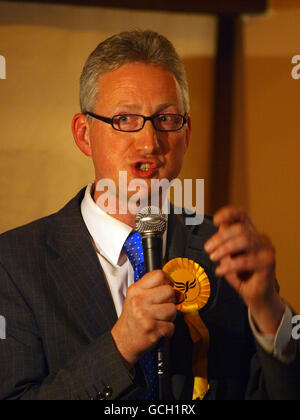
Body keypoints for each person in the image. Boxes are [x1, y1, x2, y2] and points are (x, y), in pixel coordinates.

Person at [0, 30, 299, 401]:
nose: (150, 142)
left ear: (186, 134)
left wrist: (269, 310)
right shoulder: (14, 262)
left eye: (167, 119)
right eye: (125, 119)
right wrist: (119, 347)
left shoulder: (220, 248)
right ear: (83, 134)